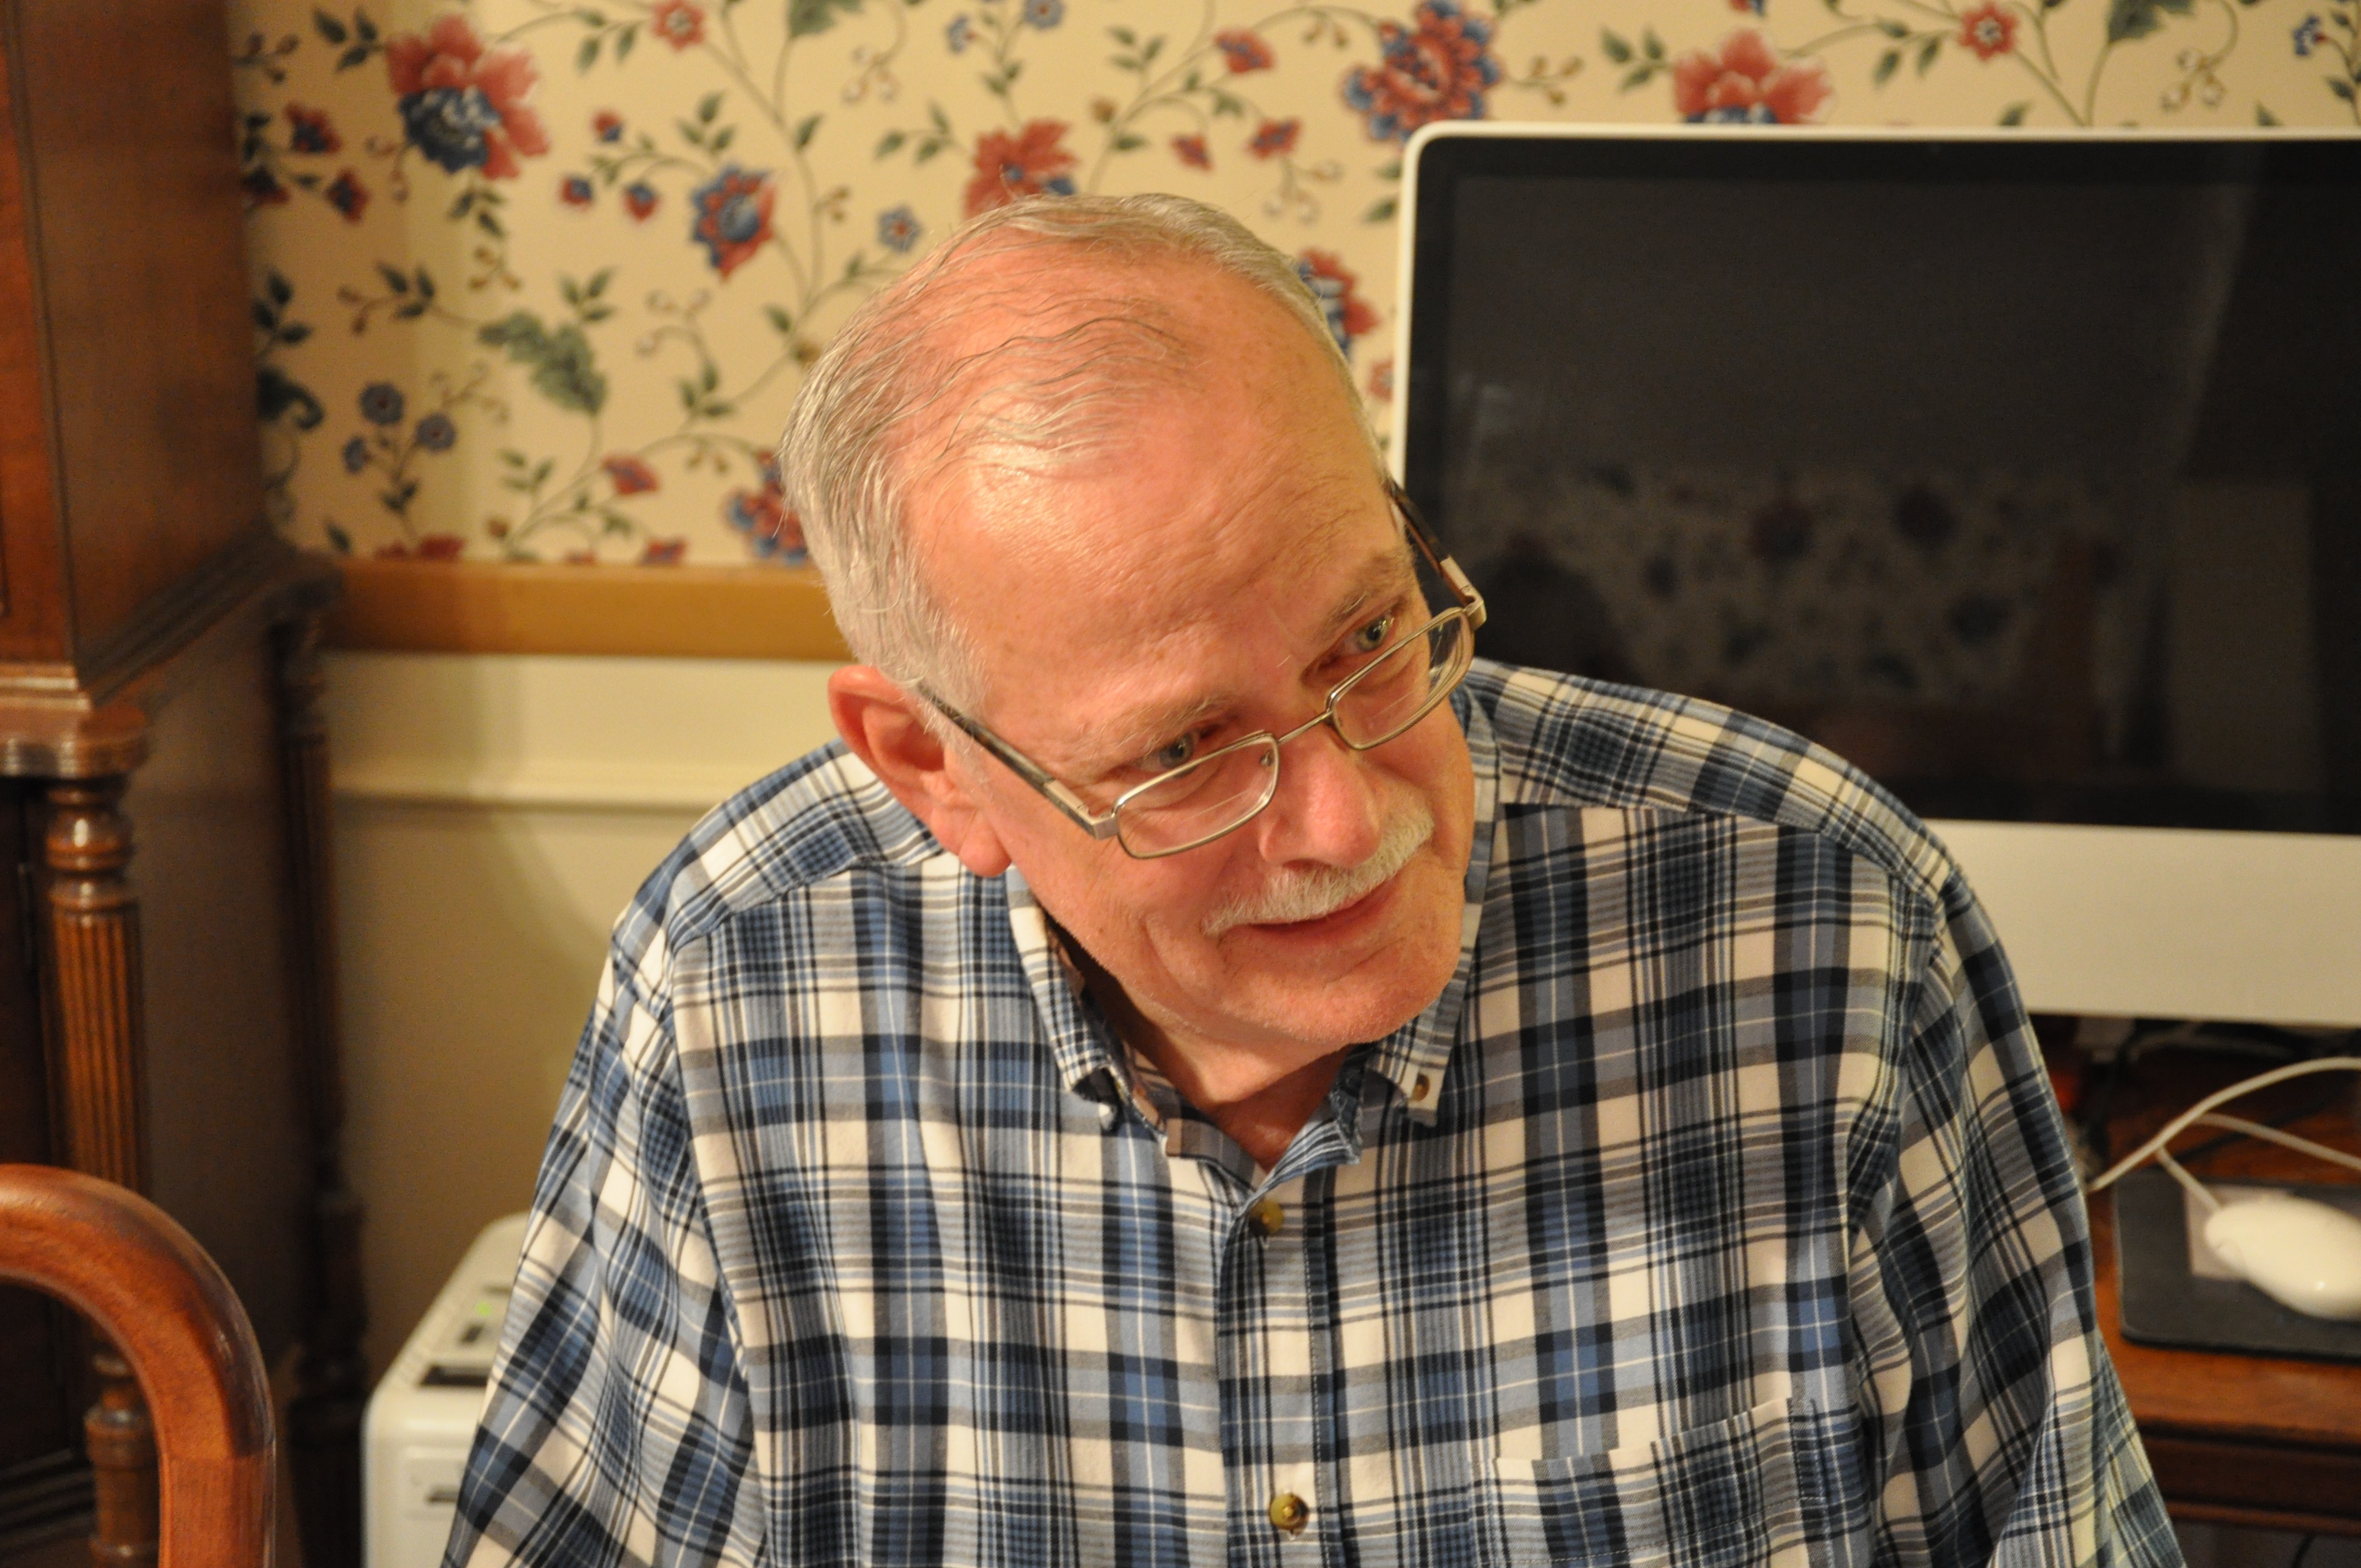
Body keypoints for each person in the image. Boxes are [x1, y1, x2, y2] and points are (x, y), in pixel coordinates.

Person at [444, 193, 2177, 1568]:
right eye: (1186, 749)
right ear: (935, 769)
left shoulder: (1822, 926)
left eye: (1367, 638)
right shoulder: (742, 980)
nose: (1352, 819)